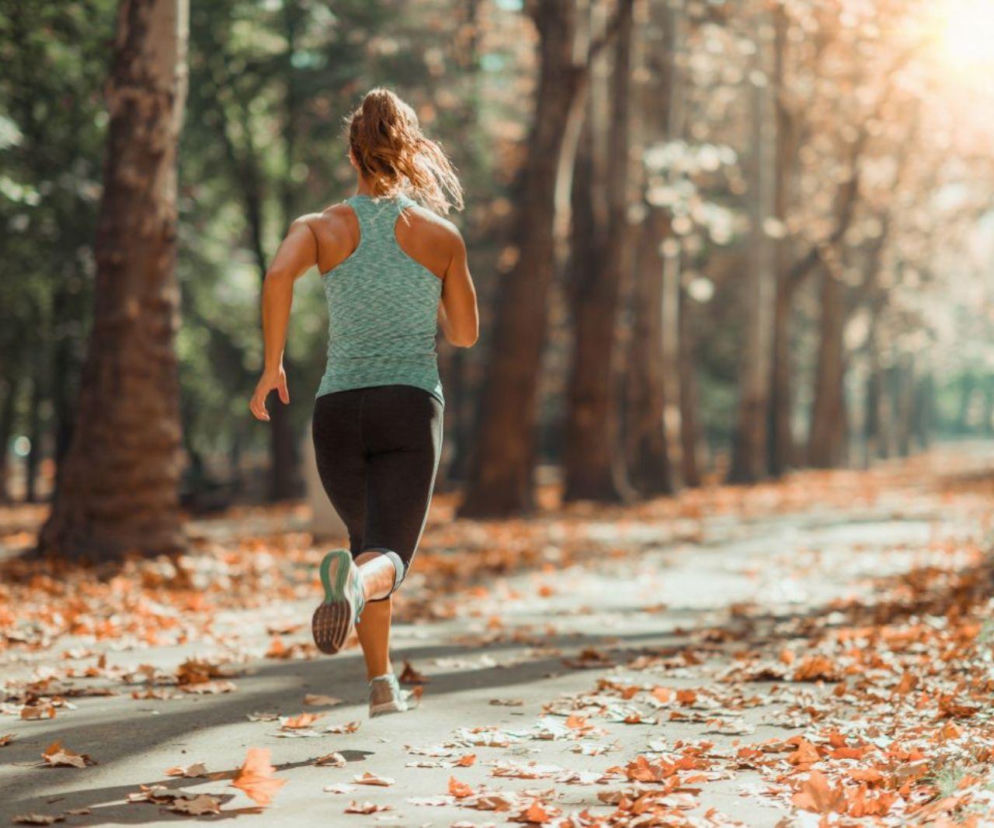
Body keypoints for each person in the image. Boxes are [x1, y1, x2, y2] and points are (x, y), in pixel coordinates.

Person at [249, 87, 479, 716]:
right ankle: (353, 592)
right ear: (411, 153)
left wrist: (272, 365)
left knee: (367, 545)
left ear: (352, 154)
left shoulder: (317, 227)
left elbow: (277, 276)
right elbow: (464, 334)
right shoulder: (440, 235)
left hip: (338, 411)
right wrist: (427, 287)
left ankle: (381, 685)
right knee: (388, 558)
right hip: (409, 405)